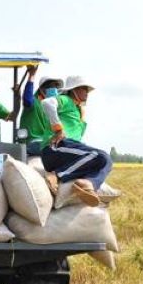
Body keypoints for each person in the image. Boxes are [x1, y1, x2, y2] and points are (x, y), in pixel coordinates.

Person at [39, 75, 113, 206]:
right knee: (100, 156)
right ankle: (56, 175)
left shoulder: (79, 110)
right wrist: (58, 129)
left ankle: (88, 184)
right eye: (83, 88)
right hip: (55, 148)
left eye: (87, 90)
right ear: (73, 90)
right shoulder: (66, 100)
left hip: (68, 151)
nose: (87, 93)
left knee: (107, 161)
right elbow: (47, 103)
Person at [19, 66, 63, 155]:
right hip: (34, 141)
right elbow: (27, 99)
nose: (54, 89)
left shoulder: (56, 107)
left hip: (47, 141)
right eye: (50, 86)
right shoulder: (34, 102)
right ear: (42, 89)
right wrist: (31, 76)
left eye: (56, 87)